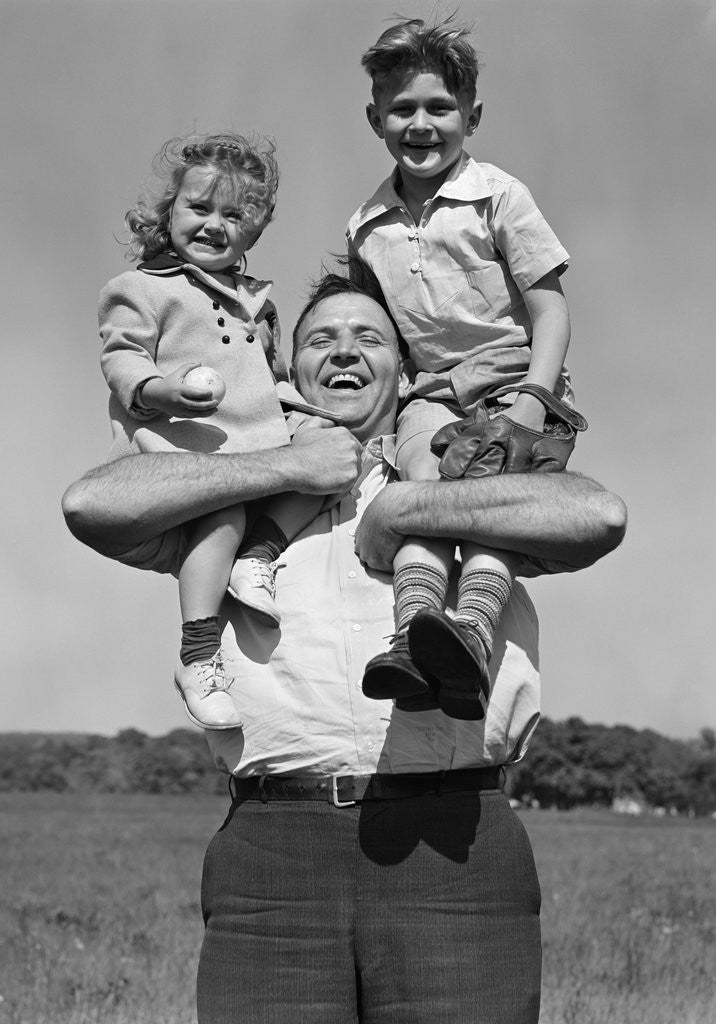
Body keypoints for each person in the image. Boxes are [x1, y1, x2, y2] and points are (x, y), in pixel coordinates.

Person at [63, 270, 627, 1023]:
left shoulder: (461, 471)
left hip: (454, 844)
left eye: (370, 338)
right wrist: (288, 467)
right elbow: (91, 504)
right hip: (272, 856)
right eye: (320, 339)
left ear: (406, 369)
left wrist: (405, 507)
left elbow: (597, 515)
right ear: (287, 370)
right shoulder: (235, 491)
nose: (344, 352)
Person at [347, 18, 587, 721]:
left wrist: (533, 403)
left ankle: (473, 636)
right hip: (429, 391)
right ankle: (413, 638)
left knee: (487, 506)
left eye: (440, 108)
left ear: (472, 117)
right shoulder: (365, 226)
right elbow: (383, 336)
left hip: (514, 378)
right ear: (376, 120)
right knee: (423, 493)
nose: (421, 124)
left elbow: (551, 312)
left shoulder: (499, 196)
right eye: (402, 109)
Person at [99, 132, 335, 730]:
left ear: (256, 230)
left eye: (234, 216)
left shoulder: (258, 300)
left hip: (262, 442)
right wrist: (160, 390)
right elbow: (122, 356)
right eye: (199, 207)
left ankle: (259, 555)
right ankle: (198, 655)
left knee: (328, 466)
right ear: (170, 210)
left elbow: (272, 377)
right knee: (222, 514)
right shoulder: (143, 288)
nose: (214, 225)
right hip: (190, 450)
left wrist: (310, 419)